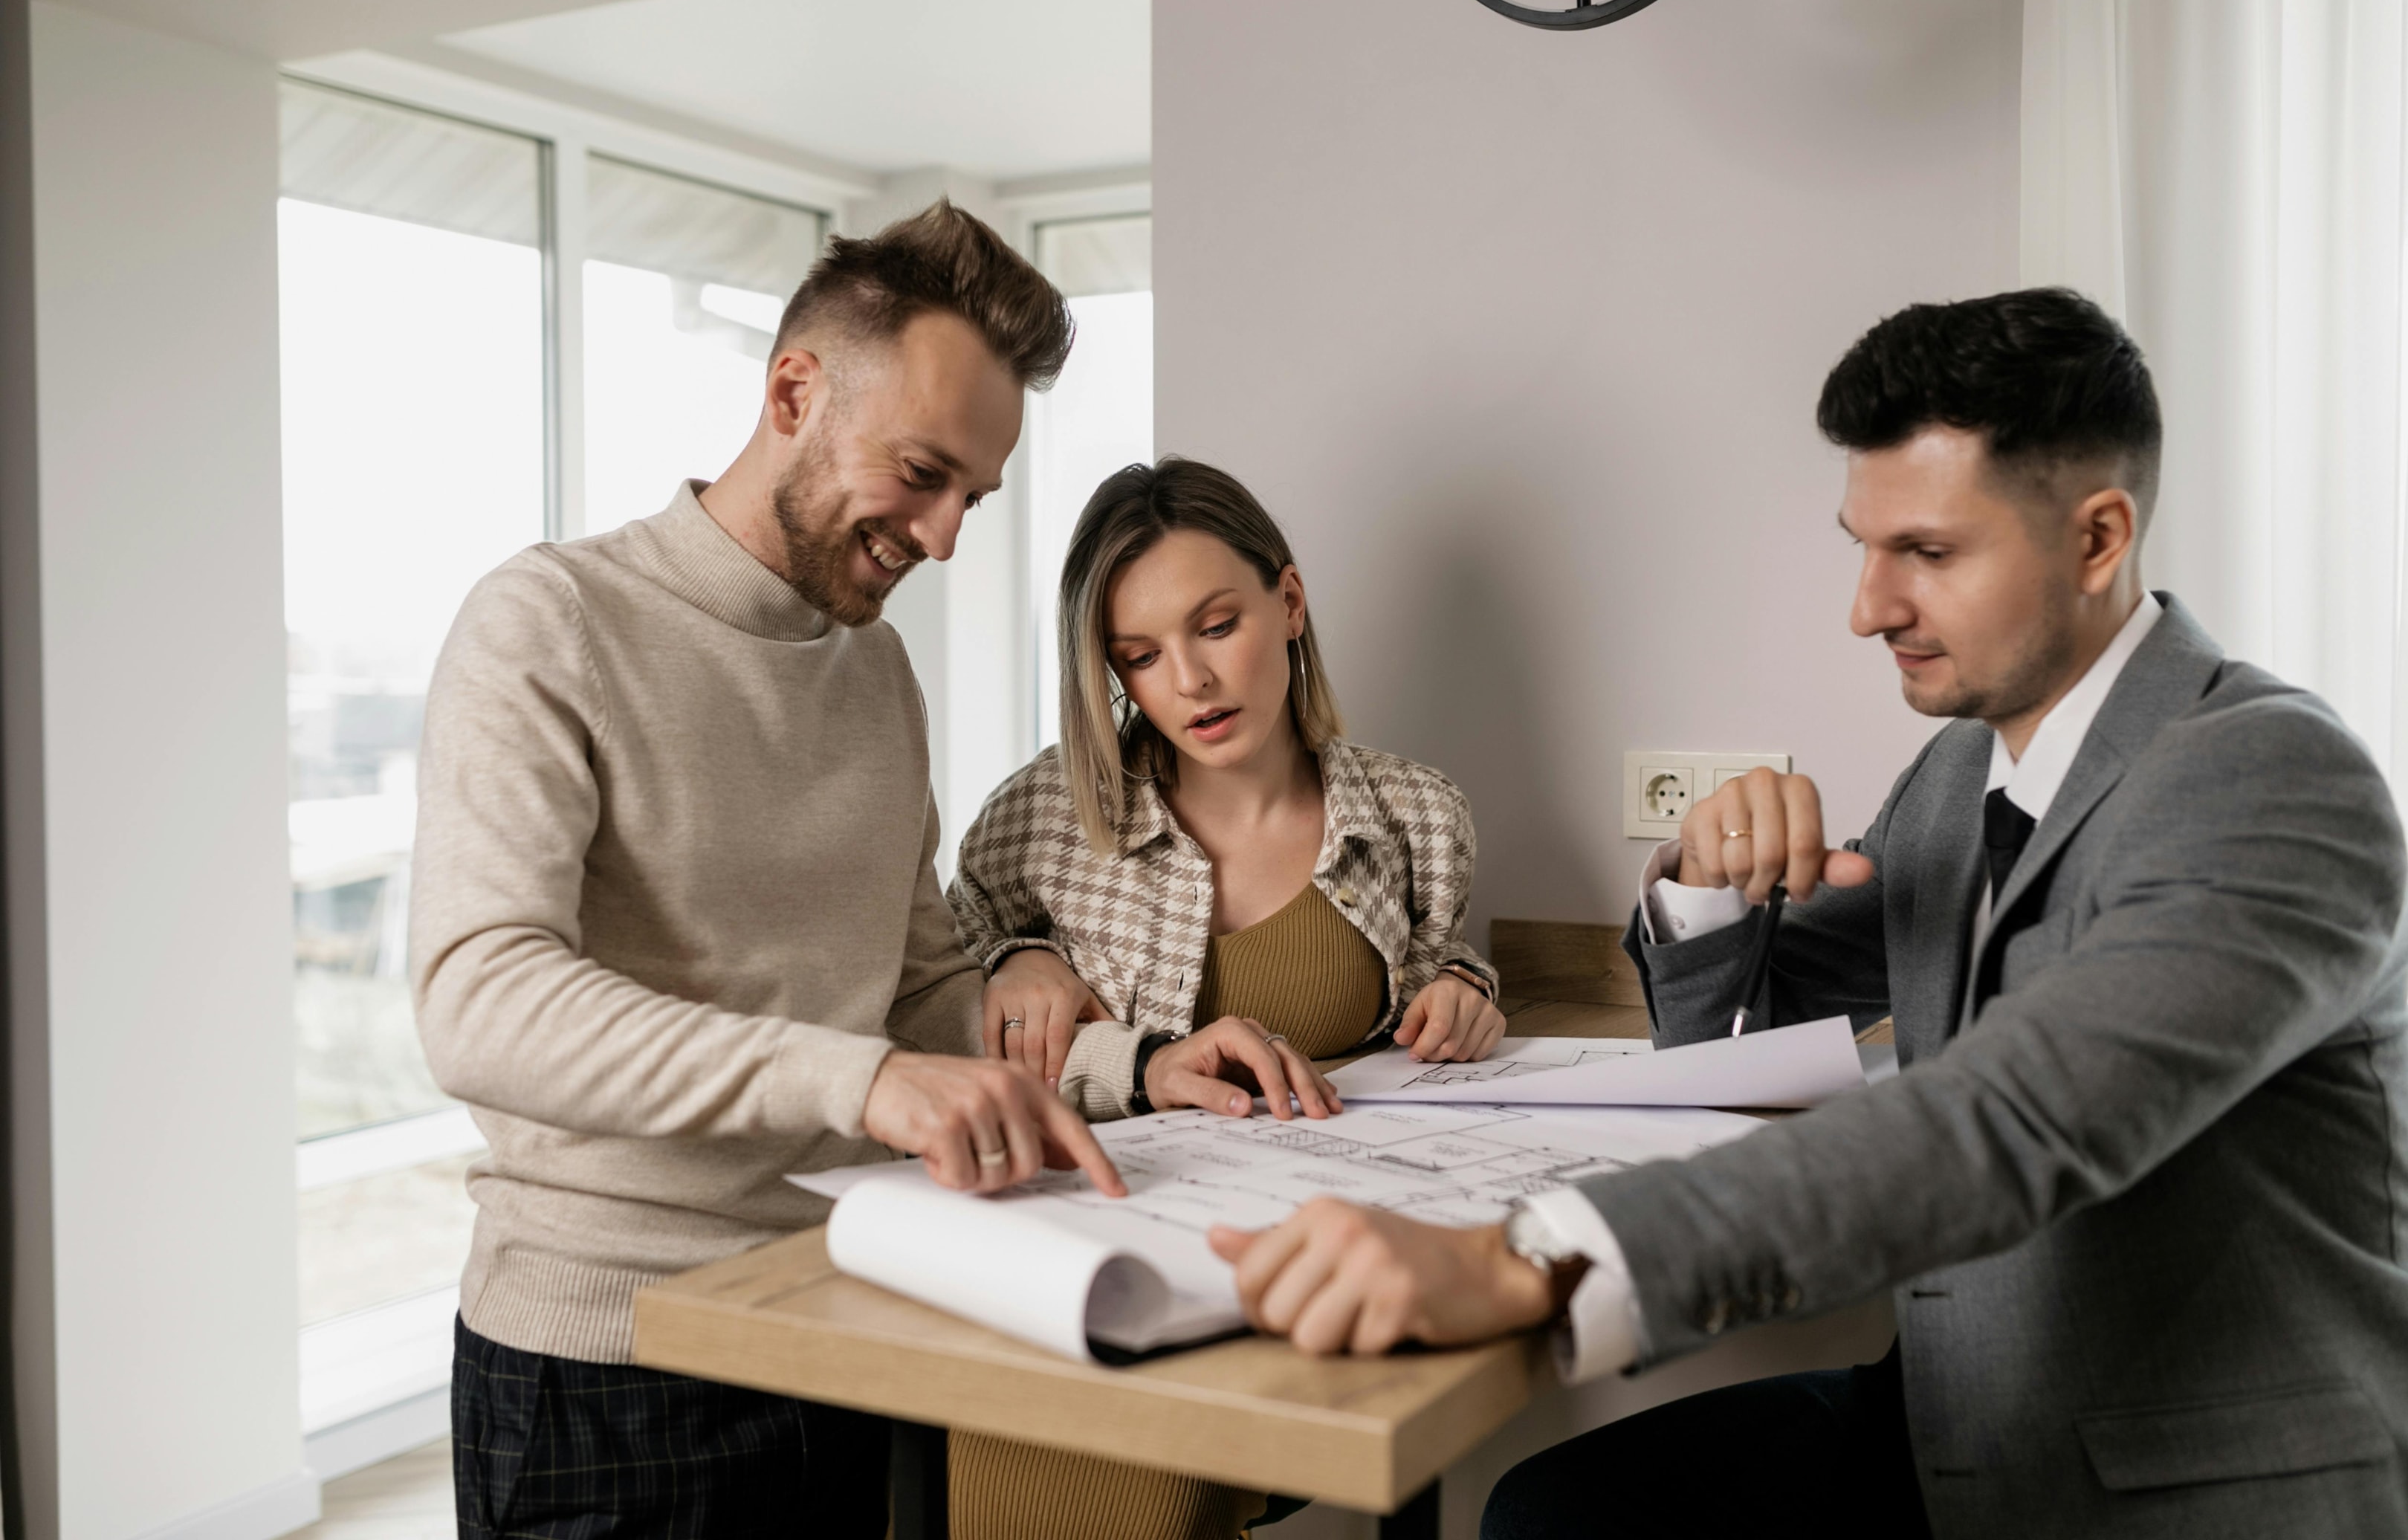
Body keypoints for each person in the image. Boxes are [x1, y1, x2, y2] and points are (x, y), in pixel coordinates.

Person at [1205, 288, 2408, 1539]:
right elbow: (1756, 1030)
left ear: (2100, 538)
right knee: (1553, 1514)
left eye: (1928, 555)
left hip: (2171, 1475)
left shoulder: (2270, 780)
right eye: (1863, 547)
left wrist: (1527, 1257)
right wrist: (1707, 878)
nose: (1869, 607)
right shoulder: (1959, 778)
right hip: (1945, 1419)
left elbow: (2008, 1120)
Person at [412, 200, 1124, 1540]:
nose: (947, 536)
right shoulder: (550, 624)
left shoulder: (877, 673)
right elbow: (480, 1000)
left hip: (834, 1319)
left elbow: (914, 989)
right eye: (923, 473)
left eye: (973, 494)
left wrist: (1129, 1065)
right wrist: (857, 1077)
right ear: (795, 390)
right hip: (601, 1365)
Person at [942, 457, 1509, 1540]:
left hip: (1299, 1258)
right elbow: (939, 1006)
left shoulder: (1419, 815)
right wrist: (1007, 962)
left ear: (1288, 604)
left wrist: (1467, 994)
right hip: (1083, 1254)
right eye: (1141, 657)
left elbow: (1436, 969)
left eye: (1215, 626)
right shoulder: (1045, 816)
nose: (1190, 683)